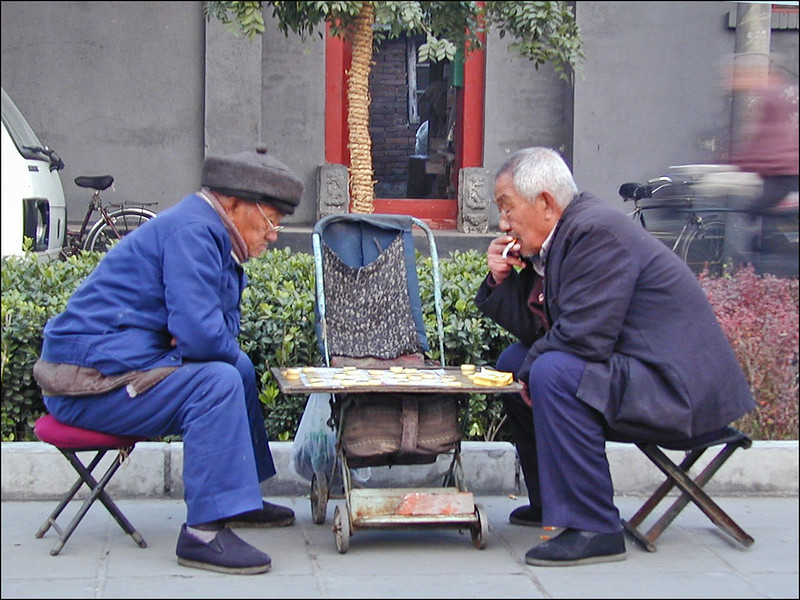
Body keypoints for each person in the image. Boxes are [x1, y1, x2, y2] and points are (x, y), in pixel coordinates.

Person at [474, 147, 755, 567]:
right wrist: (502, 280)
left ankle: (594, 526)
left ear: (546, 203)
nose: (503, 223)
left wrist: (535, 370)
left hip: (678, 391)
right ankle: (553, 502)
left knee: (550, 369)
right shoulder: (563, 238)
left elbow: (586, 338)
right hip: (643, 372)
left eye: (508, 208)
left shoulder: (595, 232)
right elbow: (541, 332)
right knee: (516, 362)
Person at [33, 143, 304, 575]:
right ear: (233, 203)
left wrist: (203, 342)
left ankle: (238, 498)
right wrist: (198, 343)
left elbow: (211, 332)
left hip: (114, 369)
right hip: (83, 385)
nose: (273, 235)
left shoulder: (211, 231)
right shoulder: (194, 232)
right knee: (217, 381)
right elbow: (200, 335)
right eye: (270, 221)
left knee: (238, 368)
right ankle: (203, 533)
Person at [724, 53, 799, 265]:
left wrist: (739, 164)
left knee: (750, 213)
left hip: (784, 172)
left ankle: (753, 269)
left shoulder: (772, 95)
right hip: (783, 171)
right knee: (768, 218)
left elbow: (768, 136)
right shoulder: (786, 92)